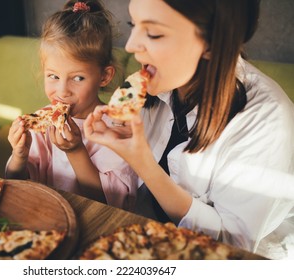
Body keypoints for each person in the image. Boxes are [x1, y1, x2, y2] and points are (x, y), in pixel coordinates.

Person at [83, 0, 294, 259]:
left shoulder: (266, 118)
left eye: (153, 33)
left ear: (211, 42)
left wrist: (144, 164)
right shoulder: (157, 86)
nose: (130, 46)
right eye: (133, 24)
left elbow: (231, 248)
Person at [5, 0, 138, 211]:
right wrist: (19, 156)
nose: (62, 91)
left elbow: (110, 204)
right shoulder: (42, 123)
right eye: (53, 76)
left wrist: (76, 151)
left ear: (104, 76)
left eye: (77, 78)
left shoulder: (118, 129)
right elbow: (15, 183)